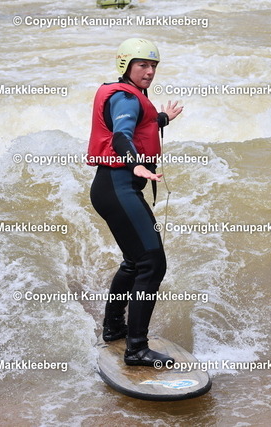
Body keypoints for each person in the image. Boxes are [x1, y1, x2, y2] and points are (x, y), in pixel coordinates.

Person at [87, 38, 183, 367]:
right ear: (125, 65)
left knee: (134, 261)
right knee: (152, 263)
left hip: (111, 187)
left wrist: (162, 119)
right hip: (119, 186)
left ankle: (114, 328)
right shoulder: (125, 97)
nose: (150, 71)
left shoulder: (129, 95)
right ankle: (137, 349)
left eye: (153, 65)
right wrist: (136, 163)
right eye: (142, 65)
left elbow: (141, 125)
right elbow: (121, 135)